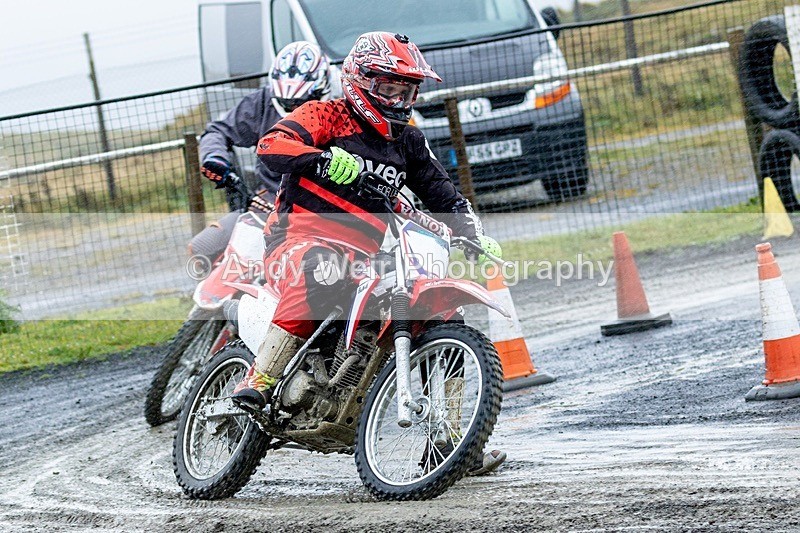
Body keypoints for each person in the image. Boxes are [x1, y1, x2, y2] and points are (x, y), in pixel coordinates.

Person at [232, 31, 506, 476]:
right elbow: (271, 145)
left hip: (366, 251)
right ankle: (259, 379)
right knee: (322, 268)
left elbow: (443, 192)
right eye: (387, 88)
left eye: (406, 90)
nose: (398, 98)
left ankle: (453, 441)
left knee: (445, 316)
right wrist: (320, 160)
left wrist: (470, 230)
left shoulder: (408, 141)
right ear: (360, 81)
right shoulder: (326, 114)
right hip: (296, 237)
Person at [188, 41, 331, 261]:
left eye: (299, 103)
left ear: (322, 89)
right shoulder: (262, 103)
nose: (293, 110)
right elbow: (217, 131)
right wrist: (214, 157)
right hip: (268, 202)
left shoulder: (341, 109)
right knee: (202, 248)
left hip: (325, 210)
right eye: (286, 103)